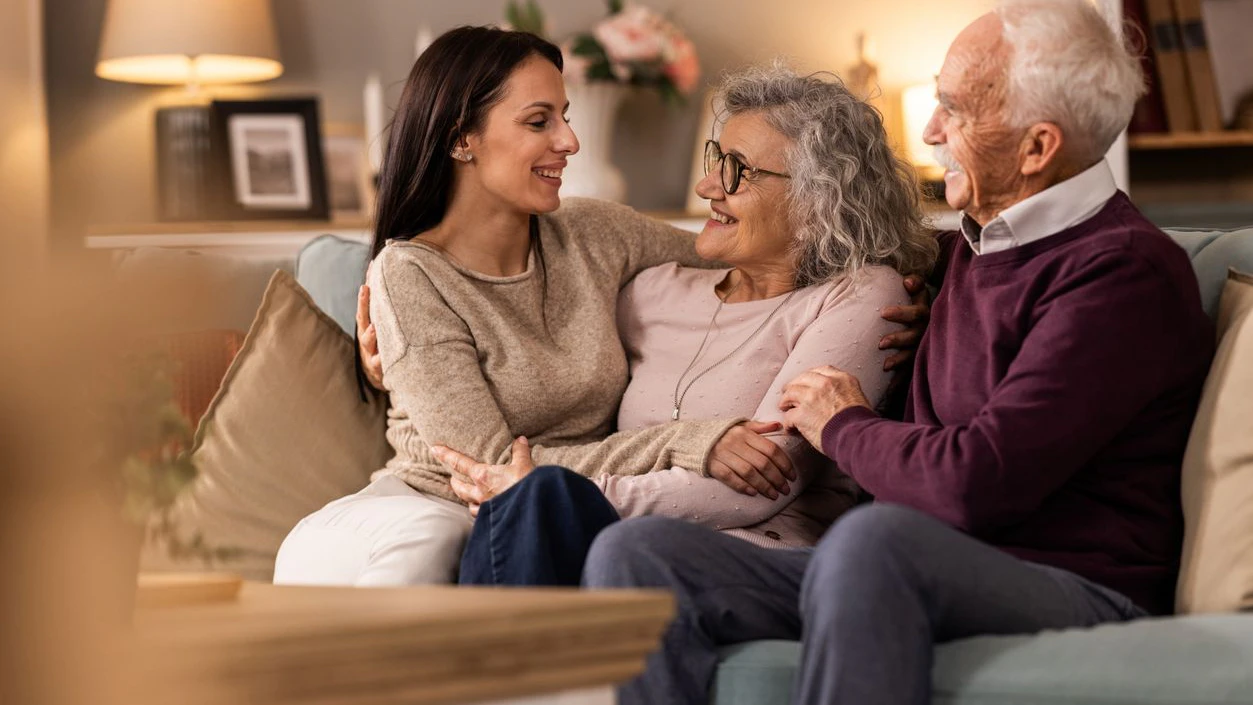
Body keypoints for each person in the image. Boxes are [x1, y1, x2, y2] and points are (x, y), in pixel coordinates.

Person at [583, 2, 1217, 704]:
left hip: (1066, 580)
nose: (930, 130)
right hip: (896, 564)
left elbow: (973, 483)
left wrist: (842, 424)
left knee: (872, 540)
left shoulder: (1120, 274)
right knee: (638, 553)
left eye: (955, 110)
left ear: (1036, 149)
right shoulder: (971, 246)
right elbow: (849, 241)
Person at [273, 27, 930, 587]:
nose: (569, 141)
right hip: (437, 500)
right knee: (429, 550)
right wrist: (688, 441)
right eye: (539, 121)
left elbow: (752, 244)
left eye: (564, 116)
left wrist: (917, 279)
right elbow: (494, 470)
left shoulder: (595, 234)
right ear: (461, 139)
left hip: (559, 515)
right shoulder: (408, 275)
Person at [431, 64, 939, 587]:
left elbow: (758, 487)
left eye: (737, 170)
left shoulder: (858, 296)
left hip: (754, 560)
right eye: (716, 159)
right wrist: (398, 365)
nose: (706, 186)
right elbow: (525, 356)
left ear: (818, 199)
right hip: (603, 545)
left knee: (540, 520)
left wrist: (561, 497)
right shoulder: (652, 291)